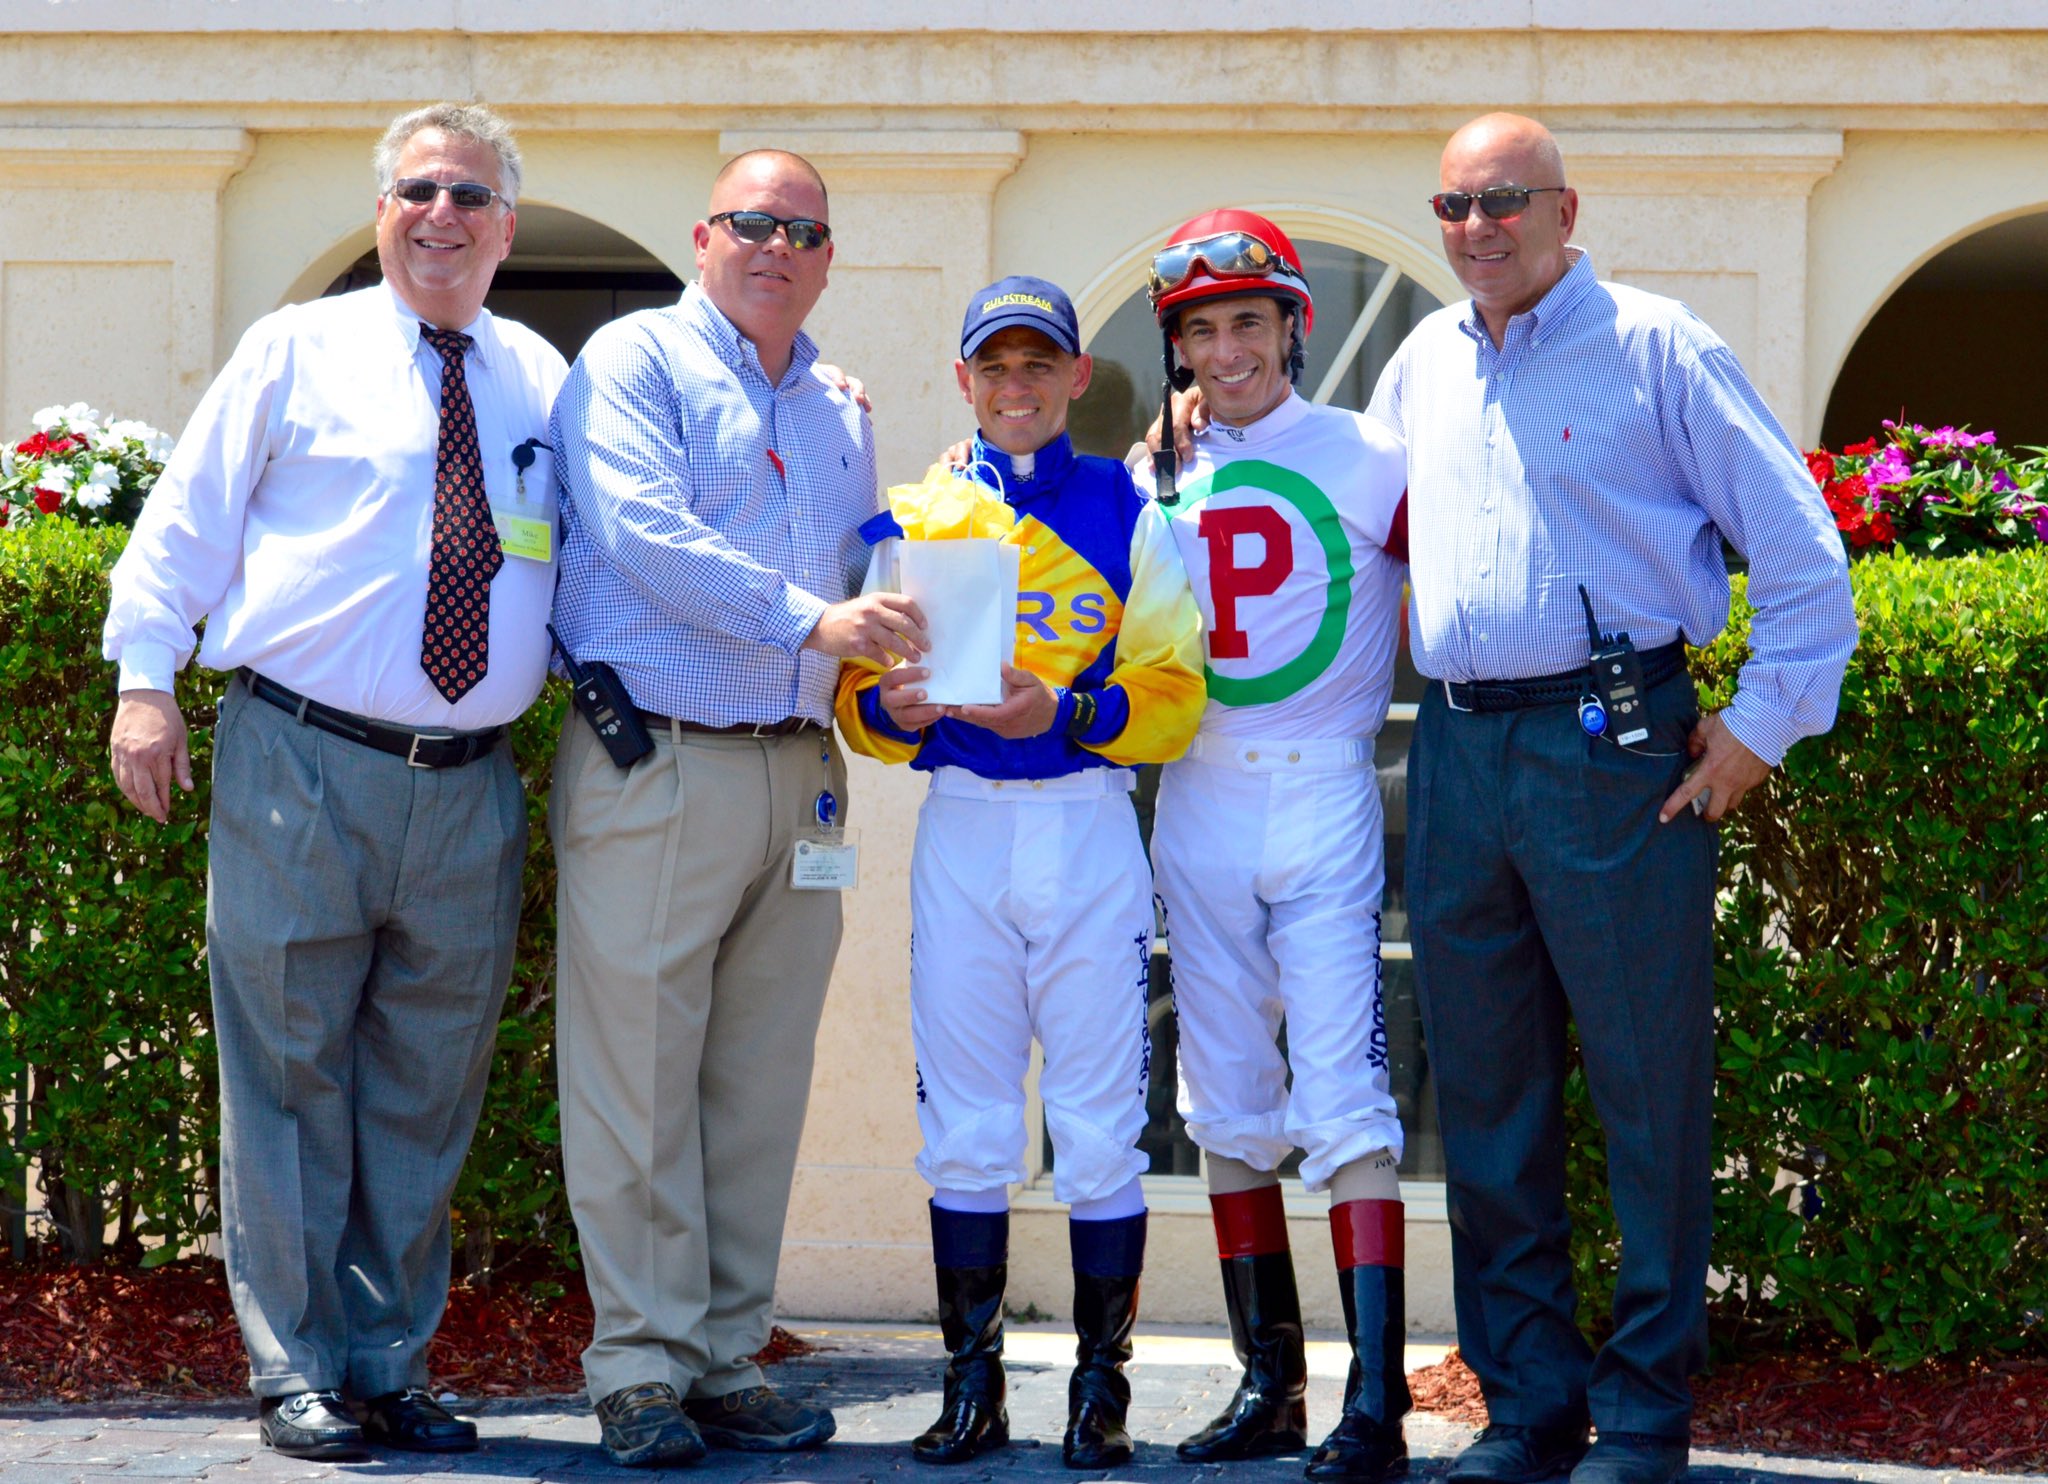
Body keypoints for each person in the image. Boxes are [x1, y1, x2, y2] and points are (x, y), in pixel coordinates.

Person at [1366, 114, 1857, 1484]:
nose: (1477, 225)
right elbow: (1358, 514)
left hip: (1615, 746)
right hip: (1460, 756)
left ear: (1566, 211)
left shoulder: (1657, 346)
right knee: (1488, 1096)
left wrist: (1757, 733)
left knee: (1648, 1092)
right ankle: (1529, 1409)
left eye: (1505, 200)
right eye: (1454, 202)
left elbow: (1806, 558)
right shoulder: (1421, 362)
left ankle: (1645, 1411)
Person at [103, 103, 563, 1460]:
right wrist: (144, 679)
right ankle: (295, 1367)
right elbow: (182, 523)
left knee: (427, 1091)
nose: (443, 216)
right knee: (290, 1076)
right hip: (298, 761)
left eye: (470, 196)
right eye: (418, 190)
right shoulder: (295, 347)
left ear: (506, 226)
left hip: (470, 785)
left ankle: (388, 1363)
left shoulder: (541, 372)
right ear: (380, 211)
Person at [547, 148, 924, 1470]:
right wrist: (818, 617)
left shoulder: (838, 402)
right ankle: (639, 1369)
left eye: (803, 229)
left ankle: (721, 1352)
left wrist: (904, 651)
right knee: (634, 1082)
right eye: (752, 222)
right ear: (704, 236)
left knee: (757, 1085)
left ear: (828, 256)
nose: (777, 244)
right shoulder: (636, 362)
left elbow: (869, 561)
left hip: (799, 770)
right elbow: (644, 534)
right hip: (659, 759)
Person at [838, 276, 1204, 1470]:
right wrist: (885, 709)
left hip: (1088, 820)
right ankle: (972, 1390)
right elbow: (863, 712)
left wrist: (1068, 705)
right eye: (992, 367)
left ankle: (1100, 1396)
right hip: (963, 827)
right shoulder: (914, 514)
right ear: (962, 382)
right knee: (965, 1120)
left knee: (1100, 1124)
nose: (1014, 386)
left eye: (1036, 365)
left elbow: (1172, 696)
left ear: (1075, 377)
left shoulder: (1127, 504)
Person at [1136, 211, 1414, 1484]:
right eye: (1200, 328)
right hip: (1193, 796)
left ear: (1293, 325)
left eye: (1247, 320)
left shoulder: (1369, 454)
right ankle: (1270, 1383)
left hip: (1320, 794)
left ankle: (1376, 1405)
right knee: (1226, 1100)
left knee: (1346, 1092)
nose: (1227, 348)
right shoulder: (1155, 468)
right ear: (1175, 347)